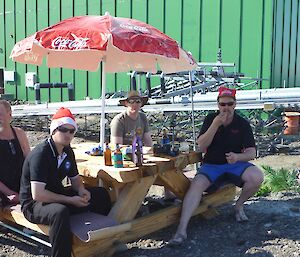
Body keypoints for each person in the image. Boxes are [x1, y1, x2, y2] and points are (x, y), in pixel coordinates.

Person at [169, 87, 264, 245]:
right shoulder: (211, 119)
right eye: (222, 104)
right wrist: (215, 124)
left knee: (257, 176)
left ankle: (239, 205)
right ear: (218, 105)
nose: (225, 108)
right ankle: (181, 229)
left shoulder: (242, 124)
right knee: (196, 186)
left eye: (229, 104)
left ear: (235, 105)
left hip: (234, 164)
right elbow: (201, 145)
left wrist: (238, 157)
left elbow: (252, 152)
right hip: (212, 164)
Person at [19, 107, 111, 257]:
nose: (68, 134)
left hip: (56, 195)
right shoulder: (41, 154)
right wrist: (70, 200)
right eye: (63, 129)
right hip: (33, 204)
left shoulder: (67, 151)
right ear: (54, 130)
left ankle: (101, 242)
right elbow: (38, 194)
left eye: (71, 131)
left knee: (101, 195)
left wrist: (82, 191)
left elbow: (75, 180)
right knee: (59, 212)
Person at [0, 100, 30, 207]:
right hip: (3, 189)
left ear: (10, 115)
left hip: (22, 185)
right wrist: (9, 193)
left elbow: (30, 162)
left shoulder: (19, 134)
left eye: (0, 115)